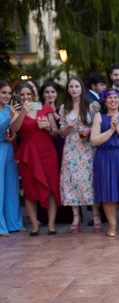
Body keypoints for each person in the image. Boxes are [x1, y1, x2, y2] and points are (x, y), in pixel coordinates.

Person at [11, 82, 60, 235]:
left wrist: (47, 128)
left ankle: (51, 225)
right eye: (22, 94)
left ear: (33, 94)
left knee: (51, 187)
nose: (26, 97)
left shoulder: (44, 108)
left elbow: (55, 132)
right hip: (28, 154)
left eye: (28, 94)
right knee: (29, 189)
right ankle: (34, 225)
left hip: (47, 152)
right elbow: (15, 130)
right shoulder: (16, 110)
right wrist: (23, 113)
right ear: (18, 96)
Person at [90, 90, 119, 236]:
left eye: (116, 97)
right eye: (110, 98)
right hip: (105, 157)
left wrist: (117, 127)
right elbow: (94, 140)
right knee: (107, 191)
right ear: (105, 101)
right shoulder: (99, 116)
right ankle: (112, 225)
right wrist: (111, 130)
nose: (113, 100)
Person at [59, 77, 102, 233]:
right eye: (71, 86)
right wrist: (68, 128)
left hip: (88, 148)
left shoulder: (92, 106)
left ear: (82, 88)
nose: (74, 89)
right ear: (68, 89)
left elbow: (99, 126)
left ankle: (96, 214)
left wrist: (89, 130)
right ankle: (76, 216)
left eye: (76, 86)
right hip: (71, 148)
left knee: (90, 180)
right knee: (72, 181)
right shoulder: (64, 108)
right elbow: (61, 133)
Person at [0, 82, 23, 236]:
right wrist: (10, 118)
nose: (7, 96)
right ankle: (1, 226)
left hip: (9, 150)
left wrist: (13, 135)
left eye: (9, 93)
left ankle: (13, 223)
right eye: (3, 93)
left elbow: (13, 130)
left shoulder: (10, 109)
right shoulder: (9, 112)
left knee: (11, 187)